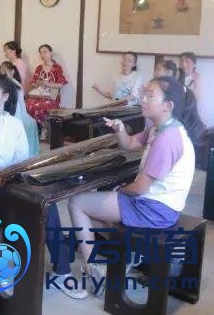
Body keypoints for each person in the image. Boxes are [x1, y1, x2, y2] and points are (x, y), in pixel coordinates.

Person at [68, 77, 200, 294]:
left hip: (154, 209)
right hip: (160, 205)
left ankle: (95, 271)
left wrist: (120, 190)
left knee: (77, 203)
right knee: (97, 209)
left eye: (150, 96)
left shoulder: (167, 138)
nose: (143, 99)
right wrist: (120, 128)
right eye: (143, 94)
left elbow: (139, 188)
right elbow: (129, 144)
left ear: (168, 105)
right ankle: (129, 255)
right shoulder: (161, 128)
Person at [0, 72, 86, 299]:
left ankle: (61, 271)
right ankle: (1, 269)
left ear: (5, 96)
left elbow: (22, 163)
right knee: (13, 212)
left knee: (46, 205)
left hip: (8, 185)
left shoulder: (15, 124)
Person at [25, 44, 68, 138]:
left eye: (45, 51)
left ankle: (45, 128)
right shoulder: (39, 68)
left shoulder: (57, 67)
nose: (42, 54)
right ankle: (35, 128)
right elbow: (33, 82)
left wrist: (48, 84)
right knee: (28, 104)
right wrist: (38, 84)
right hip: (39, 94)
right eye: (40, 52)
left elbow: (61, 84)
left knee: (41, 106)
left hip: (51, 97)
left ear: (51, 53)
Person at [0, 61, 39, 156]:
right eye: (1, 72)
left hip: (16, 113)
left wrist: (23, 115)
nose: (3, 74)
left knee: (29, 123)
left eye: (5, 72)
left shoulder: (14, 84)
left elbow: (20, 104)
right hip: (10, 112)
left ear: (12, 71)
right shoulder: (5, 84)